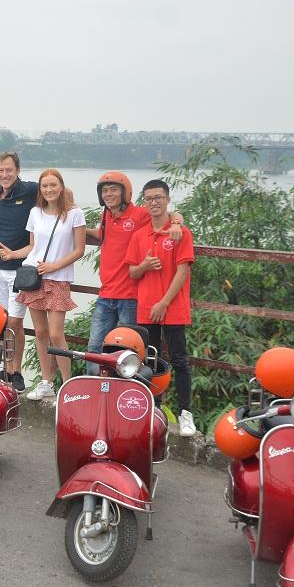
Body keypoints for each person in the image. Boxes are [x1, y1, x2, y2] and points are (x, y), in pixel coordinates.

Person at [84, 171, 184, 375]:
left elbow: (170, 214)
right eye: (104, 190)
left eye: (113, 189)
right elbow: (102, 234)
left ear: (125, 192)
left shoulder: (139, 214)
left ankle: (125, 396)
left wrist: (175, 223)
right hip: (106, 294)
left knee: (127, 352)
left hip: (130, 297)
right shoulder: (106, 216)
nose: (108, 194)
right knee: (94, 348)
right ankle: (94, 391)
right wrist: (77, 229)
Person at [1, 169, 86, 400]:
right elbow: (33, 246)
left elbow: (79, 249)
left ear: (61, 186)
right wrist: (14, 254)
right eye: (45, 186)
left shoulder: (74, 213)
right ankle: (47, 382)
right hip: (34, 277)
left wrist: (55, 266)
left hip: (57, 278)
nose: (49, 190)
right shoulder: (35, 212)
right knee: (40, 332)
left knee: (57, 334)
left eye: (53, 185)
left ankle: (68, 386)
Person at [125, 179, 196, 437]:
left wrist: (164, 303)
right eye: (149, 199)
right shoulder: (139, 235)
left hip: (172, 308)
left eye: (158, 198)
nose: (154, 202)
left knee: (179, 360)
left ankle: (185, 413)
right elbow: (132, 271)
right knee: (151, 360)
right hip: (147, 308)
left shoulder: (180, 233)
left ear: (167, 199)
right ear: (144, 202)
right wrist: (144, 266)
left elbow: (183, 270)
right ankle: (154, 411)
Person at [0, 151, 35, 393]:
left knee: (16, 321)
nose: (4, 175)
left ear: (18, 170)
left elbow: (60, 195)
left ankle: (16, 371)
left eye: (9, 170)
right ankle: (5, 367)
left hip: (20, 269)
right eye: (1, 170)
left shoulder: (29, 190)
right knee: (1, 321)